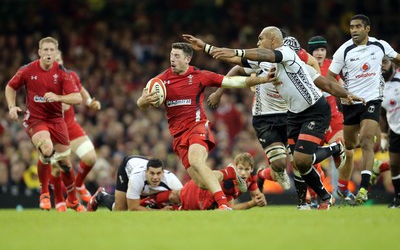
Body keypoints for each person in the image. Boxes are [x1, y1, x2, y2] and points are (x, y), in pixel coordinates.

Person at [183, 26, 364, 210]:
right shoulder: (264, 63)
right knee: (299, 163)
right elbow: (234, 60)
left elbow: (325, 83)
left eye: (261, 39)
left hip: (314, 111)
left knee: (301, 159)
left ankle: (331, 157)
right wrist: (206, 47)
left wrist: (346, 94)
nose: (258, 42)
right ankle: (324, 197)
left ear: (272, 40)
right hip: (292, 115)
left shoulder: (286, 53)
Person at [136, 42, 272, 210]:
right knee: (201, 183)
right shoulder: (160, 81)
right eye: (171, 55)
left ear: (187, 59)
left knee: (196, 160)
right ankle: (230, 173)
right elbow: (141, 103)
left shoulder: (199, 76)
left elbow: (231, 82)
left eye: (177, 56)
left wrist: (262, 79)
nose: (172, 59)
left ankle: (223, 204)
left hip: (197, 127)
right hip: (178, 137)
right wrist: (143, 101)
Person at [5, 36, 85, 212]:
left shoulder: (62, 72)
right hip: (35, 119)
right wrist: (12, 107)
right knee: (47, 149)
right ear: (39, 52)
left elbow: (78, 98)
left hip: (56, 120)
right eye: (45, 50)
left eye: (52, 50)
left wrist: (58, 97)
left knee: (65, 163)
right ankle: (44, 194)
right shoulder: (27, 70)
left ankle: (72, 200)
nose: (49, 53)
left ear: (56, 52)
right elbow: (10, 87)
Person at [327, 14, 400, 204]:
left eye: (358, 26)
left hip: (372, 100)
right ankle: (343, 185)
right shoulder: (343, 51)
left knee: (367, 140)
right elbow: (329, 78)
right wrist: (344, 95)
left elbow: (397, 59)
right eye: (351, 27)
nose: (354, 30)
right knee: (350, 146)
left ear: (367, 29)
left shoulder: (380, 45)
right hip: (351, 104)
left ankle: (363, 188)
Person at [49, 51, 101, 212]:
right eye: (53, 61)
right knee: (58, 168)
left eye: (59, 60)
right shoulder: (42, 82)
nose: (57, 64)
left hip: (71, 127)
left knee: (90, 157)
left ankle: (78, 184)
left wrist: (89, 101)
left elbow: (80, 89)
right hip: (53, 130)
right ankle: (59, 201)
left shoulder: (70, 76)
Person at [308, 35, 356, 205]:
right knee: (309, 160)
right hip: (313, 120)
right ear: (310, 52)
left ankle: (342, 189)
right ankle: (315, 195)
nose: (319, 53)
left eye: (322, 49)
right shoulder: (305, 68)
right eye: (316, 50)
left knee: (347, 152)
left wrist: (348, 99)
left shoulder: (331, 66)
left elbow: (341, 87)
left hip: (334, 118)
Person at [147, 152, 267, 210]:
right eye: (240, 169)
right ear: (236, 167)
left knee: (171, 204)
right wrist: (251, 204)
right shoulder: (229, 184)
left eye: (246, 169)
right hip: (195, 194)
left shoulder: (250, 181)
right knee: (172, 196)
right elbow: (231, 207)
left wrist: (259, 199)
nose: (243, 173)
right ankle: (142, 202)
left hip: (199, 198)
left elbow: (257, 196)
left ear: (252, 169)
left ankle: (147, 203)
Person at [86, 155, 183, 211]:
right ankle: (101, 196)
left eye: (158, 173)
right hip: (127, 167)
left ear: (163, 173)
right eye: (152, 173)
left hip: (140, 166)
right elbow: (133, 207)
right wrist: (160, 212)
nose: (155, 177)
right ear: (146, 172)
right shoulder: (136, 178)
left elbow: (184, 198)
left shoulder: (171, 180)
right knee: (120, 210)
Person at [379, 57, 400, 208]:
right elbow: (381, 114)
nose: (382, 66)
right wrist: (383, 135)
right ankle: (398, 199)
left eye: (385, 62)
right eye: (379, 64)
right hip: (394, 130)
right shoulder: (378, 87)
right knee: (394, 165)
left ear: (392, 63)